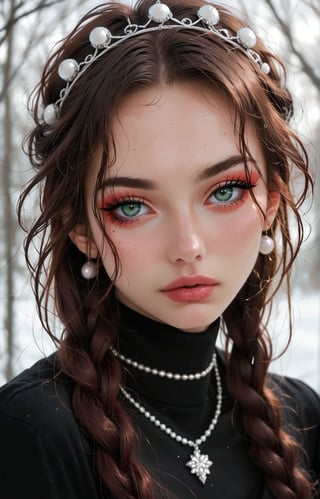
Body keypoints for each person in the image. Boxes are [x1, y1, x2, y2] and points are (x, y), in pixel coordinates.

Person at [0, 0, 319, 497]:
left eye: (225, 190)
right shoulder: (32, 433)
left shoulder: (303, 419)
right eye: (131, 206)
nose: (188, 247)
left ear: (272, 200)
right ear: (78, 226)